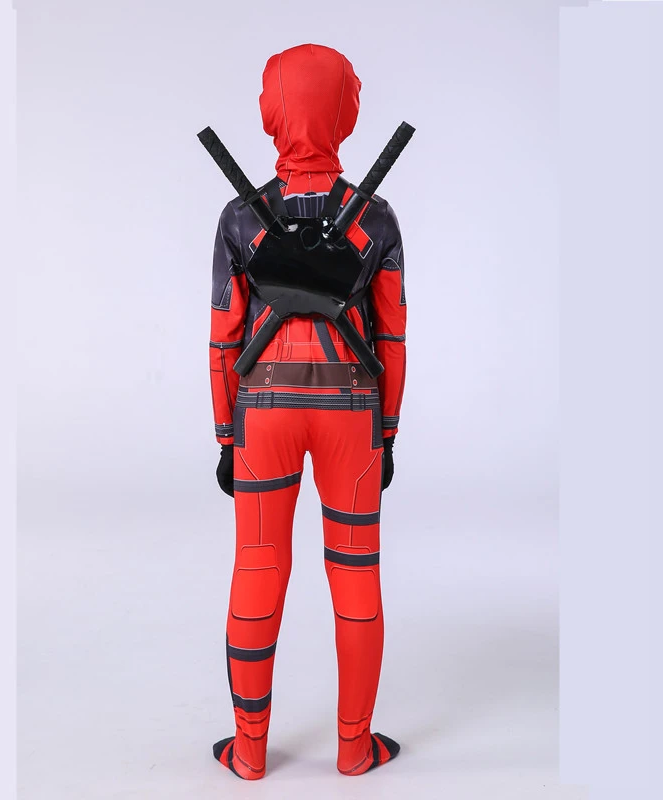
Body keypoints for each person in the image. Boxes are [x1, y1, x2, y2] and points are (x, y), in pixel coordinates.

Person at [207, 43, 407, 780]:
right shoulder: (377, 219)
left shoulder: (239, 217)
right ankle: (355, 748)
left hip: (263, 409)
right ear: (346, 112)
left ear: (271, 113)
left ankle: (248, 750)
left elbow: (223, 337)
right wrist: (387, 433)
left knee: (258, 565)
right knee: (356, 570)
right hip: (352, 409)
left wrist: (226, 433)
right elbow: (393, 337)